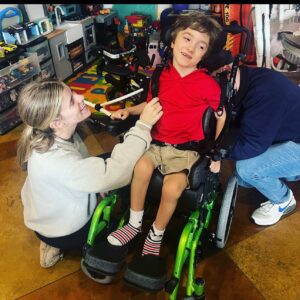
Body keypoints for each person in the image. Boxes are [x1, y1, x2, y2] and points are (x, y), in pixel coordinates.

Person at [107, 12, 225, 257]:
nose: (191, 48)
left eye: (200, 46)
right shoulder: (160, 76)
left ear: (204, 54)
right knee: (139, 167)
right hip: (156, 143)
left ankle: (156, 234)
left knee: (172, 189)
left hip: (185, 150)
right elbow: (150, 104)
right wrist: (128, 110)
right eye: (187, 39)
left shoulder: (208, 85)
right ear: (173, 41)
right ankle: (134, 223)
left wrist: (216, 150)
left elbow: (221, 115)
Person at [17, 79, 163, 268]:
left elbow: (83, 165)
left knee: (110, 162)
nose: (80, 96)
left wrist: (96, 184)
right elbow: (117, 172)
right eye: (71, 100)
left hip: (44, 217)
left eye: (72, 91)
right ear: (55, 122)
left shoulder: (44, 137)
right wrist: (143, 126)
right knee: (131, 170)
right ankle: (126, 226)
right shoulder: (60, 163)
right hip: (69, 232)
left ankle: (50, 241)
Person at [211, 56, 300, 226]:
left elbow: (253, 144)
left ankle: (283, 200)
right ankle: (288, 171)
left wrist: (216, 153)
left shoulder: (265, 91)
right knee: (244, 176)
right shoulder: (247, 78)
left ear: (227, 71)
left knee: (247, 169)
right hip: (290, 135)